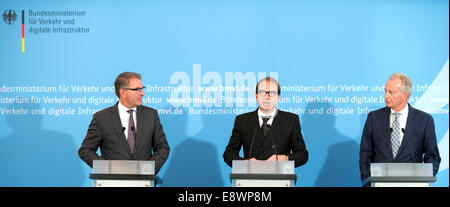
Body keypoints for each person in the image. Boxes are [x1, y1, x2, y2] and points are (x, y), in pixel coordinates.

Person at [78, 72, 170, 174]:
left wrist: (150, 168)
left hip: (144, 181)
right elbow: (85, 150)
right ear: (123, 92)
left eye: (142, 89)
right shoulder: (102, 118)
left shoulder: (151, 115)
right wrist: (107, 168)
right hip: (112, 182)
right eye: (137, 90)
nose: (142, 93)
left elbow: (163, 147)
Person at [359, 72, 441, 182]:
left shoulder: (424, 120)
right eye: (385, 91)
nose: (386, 96)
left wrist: (424, 179)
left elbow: (433, 156)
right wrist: (367, 179)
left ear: (405, 95)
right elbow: (365, 153)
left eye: (391, 92)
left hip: (412, 184)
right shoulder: (374, 118)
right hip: (378, 183)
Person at [223, 77, 308, 167]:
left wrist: (284, 158)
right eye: (262, 92)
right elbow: (228, 154)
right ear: (256, 96)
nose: (266, 97)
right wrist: (245, 163)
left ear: (278, 97)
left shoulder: (291, 120)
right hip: (250, 178)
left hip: (280, 178)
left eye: (271, 93)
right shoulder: (242, 120)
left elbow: (302, 154)